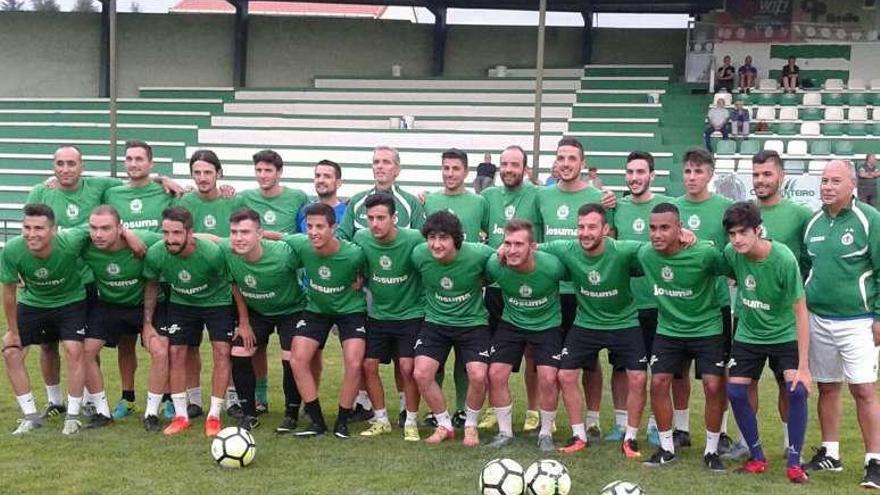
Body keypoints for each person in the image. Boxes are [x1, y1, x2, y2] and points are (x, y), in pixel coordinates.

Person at [542, 204, 648, 459]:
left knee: (638, 378)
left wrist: (684, 236)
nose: (585, 232)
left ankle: (631, 438)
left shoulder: (623, 250)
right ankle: (579, 435)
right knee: (565, 375)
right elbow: (533, 248)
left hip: (624, 322)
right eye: (581, 227)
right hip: (586, 323)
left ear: (606, 229)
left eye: (592, 227)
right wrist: (503, 247)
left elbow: (655, 248)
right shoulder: (566, 248)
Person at [801, 160, 880, 489]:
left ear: (852, 185)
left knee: (863, 389)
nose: (827, 187)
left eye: (835, 181)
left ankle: (874, 461)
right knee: (827, 387)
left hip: (858, 321)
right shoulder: (813, 223)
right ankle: (830, 453)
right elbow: (807, 268)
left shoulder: (869, 219)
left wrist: (878, 316)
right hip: (818, 318)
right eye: (823, 181)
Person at [720, 201, 812, 483]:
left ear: (758, 230)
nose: (737, 239)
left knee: (796, 390)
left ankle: (795, 462)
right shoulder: (731, 253)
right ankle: (757, 457)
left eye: (742, 232)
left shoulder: (783, 258)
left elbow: (800, 310)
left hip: (784, 334)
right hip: (748, 335)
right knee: (735, 393)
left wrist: (804, 365)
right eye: (732, 234)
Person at [638, 203, 730, 471]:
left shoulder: (704, 254)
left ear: (680, 229)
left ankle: (712, 450)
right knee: (658, 383)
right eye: (653, 228)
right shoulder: (645, 254)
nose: (657, 234)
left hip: (707, 328)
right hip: (669, 329)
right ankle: (667, 447)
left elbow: (733, 267)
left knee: (714, 385)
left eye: (665, 228)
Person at [537, 136, 614, 444]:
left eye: (572, 158)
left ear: (583, 163)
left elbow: (611, 238)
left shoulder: (600, 197)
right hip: (551, 290)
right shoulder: (542, 196)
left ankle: (592, 420)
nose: (565, 164)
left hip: (585, 292)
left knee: (590, 360)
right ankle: (546, 420)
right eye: (561, 158)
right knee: (543, 359)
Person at [142, 207, 245, 437]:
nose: (170, 239)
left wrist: (243, 320)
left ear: (190, 233)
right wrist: (147, 322)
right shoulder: (157, 253)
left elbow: (233, 284)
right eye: (166, 233)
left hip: (217, 302)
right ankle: (181, 416)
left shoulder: (211, 253)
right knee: (176, 352)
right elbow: (151, 286)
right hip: (182, 303)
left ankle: (214, 416)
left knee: (221, 352)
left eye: (177, 233)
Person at [101, 140, 179, 420]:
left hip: (158, 279)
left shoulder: (164, 191)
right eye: (129, 159)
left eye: (139, 159)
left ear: (151, 163)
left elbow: (179, 222)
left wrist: (165, 180)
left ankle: (169, 398)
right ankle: (128, 397)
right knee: (126, 344)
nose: (134, 164)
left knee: (162, 342)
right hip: (123, 282)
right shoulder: (111, 192)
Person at [1, 204, 92, 435]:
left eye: (39, 228)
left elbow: (97, 226)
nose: (32, 234)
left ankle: (73, 416)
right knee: (11, 350)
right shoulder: (12, 250)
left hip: (71, 301)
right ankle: (31, 416)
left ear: (53, 230)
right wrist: (13, 331)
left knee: (74, 350)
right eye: (27, 227)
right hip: (33, 303)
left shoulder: (70, 241)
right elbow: (9, 292)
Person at [748, 150, 814, 455]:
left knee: (787, 384)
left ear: (781, 177)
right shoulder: (746, 214)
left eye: (767, 174)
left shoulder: (800, 215)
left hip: (787, 319)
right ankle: (747, 441)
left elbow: (812, 260)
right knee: (744, 382)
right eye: (757, 174)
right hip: (750, 315)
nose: (761, 180)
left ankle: (791, 444)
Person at [218, 208, 307, 431]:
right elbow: (235, 285)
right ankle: (249, 414)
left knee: (291, 357)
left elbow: (313, 254)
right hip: (257, 312)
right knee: (238, 351)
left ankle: (291, 413)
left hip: (291, 310)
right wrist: (244, 322)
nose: (238, 238)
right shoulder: (228, 251)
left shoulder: (283, 253)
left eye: (245, 232)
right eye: (234, 232)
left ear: (260, 234)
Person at [283, 203, 367, 439]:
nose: (313, 232)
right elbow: (278, 237)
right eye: (309, 226)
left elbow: (370, 269)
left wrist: (362, 280)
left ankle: (342, 422)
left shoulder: (354, 253)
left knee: (353, 362)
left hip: (350, 310)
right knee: (297, 360)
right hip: (316, 309)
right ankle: (316, 421)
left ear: (334, 228)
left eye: (320, 226)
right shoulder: (301, 245)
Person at [411, 211, 494, 447]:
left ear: (456, 239)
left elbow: (498, 261)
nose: (436, 244)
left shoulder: (479, 253)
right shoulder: (419, 255)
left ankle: (470, 425)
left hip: (472, 323)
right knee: (421, 373)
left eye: (443, 238)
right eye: (432, 238)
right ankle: (444, 424)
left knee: (478, 375)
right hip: (436, 322)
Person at [673, 148, 736, 454]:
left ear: (710, 174)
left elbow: (732, 255)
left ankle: (721, 432)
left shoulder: (725, 208)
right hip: (677, 306)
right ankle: (681, 428)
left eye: (698, 171)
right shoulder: (671, 208)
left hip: (715, 306)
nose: (692, 177)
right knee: (677, 371)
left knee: (715, 375)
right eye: (687, 171)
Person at [238, 149, 308, 416]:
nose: (263, 175)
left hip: (289, 282)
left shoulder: (297, 197)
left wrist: (269, 236)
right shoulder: (244, 198)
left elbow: (304, 234)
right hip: (257, 284)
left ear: (279, 172)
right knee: (256, 346)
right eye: (259, 170)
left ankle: (300, 397)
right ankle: (260, 396)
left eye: (268, 170)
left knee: (298, 351)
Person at [484, 219, 565, 451]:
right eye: (507, 243)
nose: (512, 250)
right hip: (512, 322)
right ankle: (504, 432)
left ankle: (546, 433)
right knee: (496, 374)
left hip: (547, 324)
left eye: (519, 244)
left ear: (533, 247)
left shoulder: (552, 266)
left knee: (549, 378)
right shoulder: (496, 265)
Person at [479, 145, 543, 432]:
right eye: (504, 164)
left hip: (528, 283)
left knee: (532, 354)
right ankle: (494, 408)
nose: (508, 169)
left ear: (525, 169)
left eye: (514, 164)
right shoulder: (487, 196)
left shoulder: (538, 195)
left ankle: (533, 410)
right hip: (496, 285)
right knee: (496, 351)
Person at [611, 151, 673, 447]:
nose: (634, 178)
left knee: (658, 369)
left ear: (652, 175)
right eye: (630, 172)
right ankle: (620, 422)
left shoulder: (662, 211)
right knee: (622, 367)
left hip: (658, 301)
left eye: (640, 172)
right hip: (626, 304)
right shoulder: (616, 207)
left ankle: (652, 424)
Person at [176, 149, 244, 417]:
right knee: (190, 347)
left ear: (219, 173)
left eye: (208, 172)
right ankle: (194, 400)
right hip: (189, 287)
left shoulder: (233, 201)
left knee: (223, 348)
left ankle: (231, 399)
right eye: (197, 173)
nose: (203, 177)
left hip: (223, 287)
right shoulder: (184, 203)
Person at [81, 205, 161, 430]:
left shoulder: (145, 239)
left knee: (159, 349)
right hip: (109, 305)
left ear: (119, 228)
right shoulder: (85, 243)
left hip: (145, 303)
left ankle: (160, 406)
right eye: (94, 228)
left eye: (106, 228)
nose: (98, 234)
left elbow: (185, 237)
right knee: (86, 351)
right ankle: (105, 410)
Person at [354, 193, 424, 441]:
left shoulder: (414, 238)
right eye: (370, 218)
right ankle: (381, 419)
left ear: (394, 218)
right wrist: (358, 277)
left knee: (407, 367)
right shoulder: (361, 238)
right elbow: (357, 265)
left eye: (381, 218)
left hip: (410, 314)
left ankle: (411, 420)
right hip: (378, 314)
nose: (375, 224)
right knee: (368, 365)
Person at [338, 146, 425, 241]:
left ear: (397, 170)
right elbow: (342, 237)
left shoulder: (411, 202)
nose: (380, 166)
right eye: (376, 162)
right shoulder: (356, 201)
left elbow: (422, 240)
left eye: (386, 162)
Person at [296, 160, 347, 234]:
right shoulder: (304, 211)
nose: (321, 180)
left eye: (327, 176)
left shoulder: (347, 213)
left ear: (338, 183)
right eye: (318, 176)